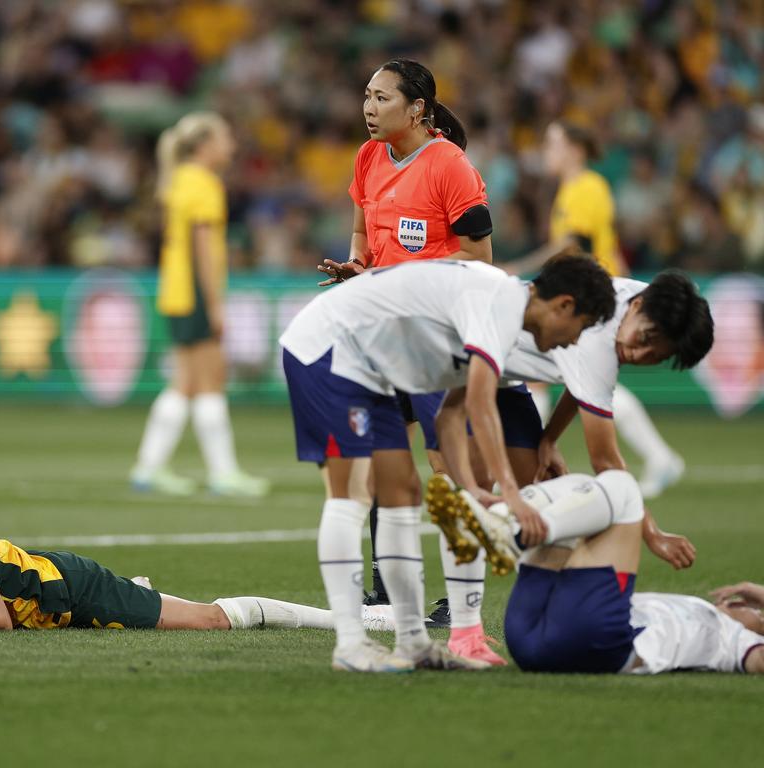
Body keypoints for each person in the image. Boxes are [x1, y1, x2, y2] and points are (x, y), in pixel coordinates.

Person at [280, 254, 615, 672]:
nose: (572, 341)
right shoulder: (500, 307)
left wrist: (472, 491)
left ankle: (413, 645)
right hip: (328, 349)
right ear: (564, 305)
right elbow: (480, 402)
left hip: (371, 367)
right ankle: (350, 646)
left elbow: (451, 415)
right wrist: (511, 495)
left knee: (403, 491)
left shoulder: (498, 306)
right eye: (580, 328)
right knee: (351, 494)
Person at [313, 57, 502, 660]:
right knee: (378, 459)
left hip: (433, 340)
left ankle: (458, 600)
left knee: (447, 464)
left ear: (417, 108)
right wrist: (358, 270)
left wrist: (416, 290)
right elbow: (363, 237)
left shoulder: (450, 166)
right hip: (378, 335)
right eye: (365, 96)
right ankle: (380, 590)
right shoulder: (368, 159)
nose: (368, 107)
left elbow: (480, 259)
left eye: (381, 98)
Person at [430, 268, 714, 642]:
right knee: (469, 488)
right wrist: (652, 533)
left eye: (653, 356)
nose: (638, 352)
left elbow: (580, 377)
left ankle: (543, 604)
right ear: (638, 307)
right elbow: (607, 465)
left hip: (504, 373)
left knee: (544, 495)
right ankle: (460, 626)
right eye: (645, 338)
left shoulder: (651, 303)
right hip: (448, 355)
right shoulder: (600, 334)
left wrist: (549, 438)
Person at [0, 496, 398, 637]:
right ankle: (137, 588)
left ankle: (354, 621)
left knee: (207, 620)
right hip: (48, 590)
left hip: (71, 590)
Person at [425, 474, 764, 675]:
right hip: (530, 639)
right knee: (583, 490)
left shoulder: (734, 642)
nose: (753, 610)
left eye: (760, 617)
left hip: (595, 642)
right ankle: (499, 520)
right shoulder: (700, 609)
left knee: (624, 488)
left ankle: (510, 535)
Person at [508, 120, 685, 499]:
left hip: (595, 300)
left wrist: (520, 269)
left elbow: (573, 247)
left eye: (553, 143)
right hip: (594, 293)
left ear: (575, 149)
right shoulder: (574, 189)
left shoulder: (585, 187)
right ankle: (658, 457)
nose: (547, 150)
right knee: (582, 380)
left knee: (584, 380)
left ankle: (526, 460)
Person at [130, 112, 268, 497]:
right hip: (194, 293)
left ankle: (149, 467)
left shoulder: (180, 180)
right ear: (205, 145)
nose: (232, 145)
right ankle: (223, 473)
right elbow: (203, 251)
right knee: (209, 381)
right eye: (225, 138)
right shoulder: (204, 183)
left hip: (176, 291)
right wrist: (216, 304)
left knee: (186, 382)